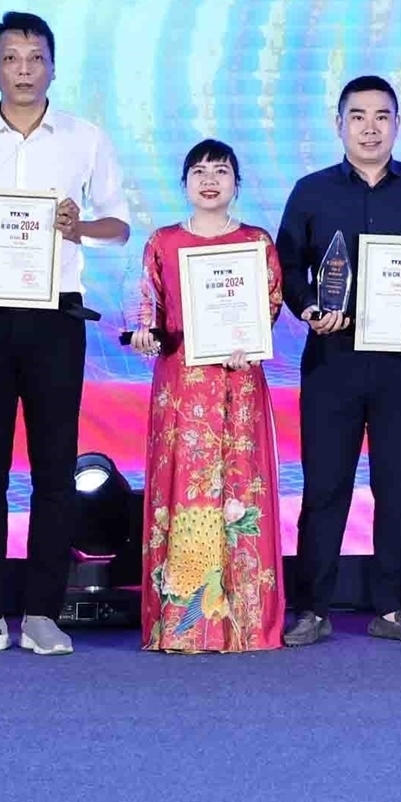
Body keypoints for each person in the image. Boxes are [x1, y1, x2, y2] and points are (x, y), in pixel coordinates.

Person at [0, 12, 132, 662]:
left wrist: (80, 228)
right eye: (11, 58)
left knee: (54, 471)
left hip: (55, 319)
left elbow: (120, 226)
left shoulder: (85, 139)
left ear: (52, 67)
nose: (23, 69)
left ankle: (43, 613)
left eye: (35, 57)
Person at [275, 75, 401, 645]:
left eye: (382, 116)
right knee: (324, 487)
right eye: (357, 116)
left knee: (397, 488)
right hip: (331, 358)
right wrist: (308, 309)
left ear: (398, 125)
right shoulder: (311, 191)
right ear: (339, 125)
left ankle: (393, 606)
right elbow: (287, 267)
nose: (370, 128)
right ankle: (311, 608)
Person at [133, 140, 287, 653]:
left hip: (239, 384)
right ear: (184, 183)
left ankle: (246, 623)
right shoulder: (163, 242)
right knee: (186, 493)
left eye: (221, 171)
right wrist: (146, 335)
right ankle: (184, 624)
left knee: (242, 491)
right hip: (182, 389)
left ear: (236, 184)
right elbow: (149, 311)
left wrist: (250, 340)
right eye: (198, 171)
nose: (209, 180)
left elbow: (268, 306)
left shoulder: (255, 242)